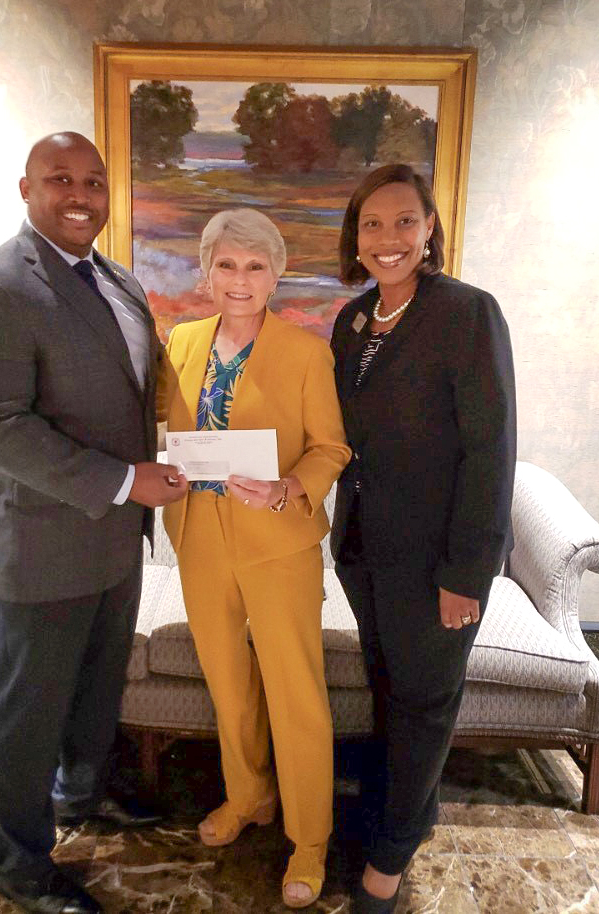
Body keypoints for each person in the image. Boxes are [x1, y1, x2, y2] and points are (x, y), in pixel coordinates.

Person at [0, 131, 187, 914]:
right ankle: (17, 864)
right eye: (59, 179)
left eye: (92, 179)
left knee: (92, 689)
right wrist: (124, 480)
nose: (79, 193)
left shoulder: (119, 281)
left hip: (115, 540)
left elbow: (134, 398)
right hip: (37, 547)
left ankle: (82, 795)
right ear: (25, 189)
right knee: (26, 707)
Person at [330, 164, 516, 913]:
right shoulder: (352, 321)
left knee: (426, 700)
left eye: (405, 221)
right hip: (364, 552)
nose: (388, 239)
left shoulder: (468, 313)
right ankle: (401, 818)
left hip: (438, 559)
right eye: (372, 225)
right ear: (356, 237)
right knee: (388, 692)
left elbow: (490, 449)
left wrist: (467, 573)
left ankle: (389, 859)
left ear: (430, 227)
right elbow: (338, 434)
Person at [157, 208, 350, 908]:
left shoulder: (305, 353)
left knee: (295, 691)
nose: (240, 279)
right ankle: (250, 797)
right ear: (206, 272)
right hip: (198, 535)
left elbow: (331, 446)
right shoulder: (179, 340)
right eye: (227, 265)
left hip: (278, 539)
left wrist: (289, 486)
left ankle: (310, 840)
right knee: (228, 682)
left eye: (255, 266)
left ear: (277, 276)